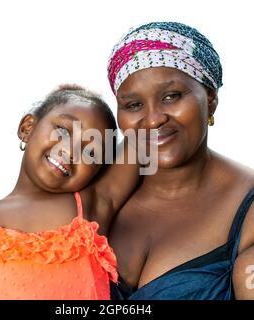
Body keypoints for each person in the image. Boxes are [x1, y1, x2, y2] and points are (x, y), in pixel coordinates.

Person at [107, 22, 254, 300]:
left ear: (210, 98)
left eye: (171, 96)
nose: (153, 119)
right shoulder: (93, 191)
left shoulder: (247, 209)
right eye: (133, 105)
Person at [0, 84, 139, 300]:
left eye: (91, 151)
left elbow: (144, 133)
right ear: (27, 127)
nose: (70, 151)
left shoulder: (92, 203)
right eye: (62, 130)